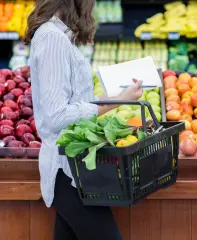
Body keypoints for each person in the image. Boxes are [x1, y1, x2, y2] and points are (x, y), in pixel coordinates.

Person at [24, 0, 143, 239]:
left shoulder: (57, 35)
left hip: (76, 168)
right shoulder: (52, 39)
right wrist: (115, 103)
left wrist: (117, 96)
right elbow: (57, 115)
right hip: (67, 171)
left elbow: (74, 101)